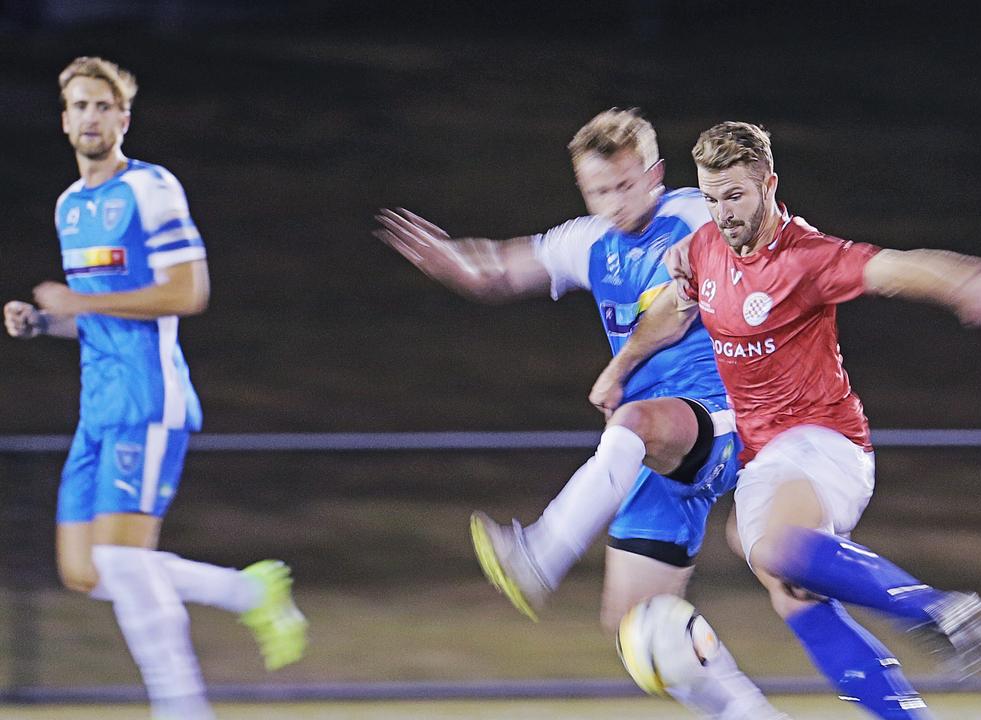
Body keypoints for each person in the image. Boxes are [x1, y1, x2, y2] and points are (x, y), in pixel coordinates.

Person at [592, 121, 981, 719]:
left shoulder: (806, 258)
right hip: (764, 454)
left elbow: (895, 268)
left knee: (781, 549)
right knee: (790, 590)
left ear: (768, 184)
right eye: (710, 197)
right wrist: (622, 365)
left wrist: (967, 281)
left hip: (824, 441)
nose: (723, 213)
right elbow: (676, 313)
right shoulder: (703, 247)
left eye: (735, 196)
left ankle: (941, 610)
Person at [373, 108, 786, 719]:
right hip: (659, 446)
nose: (615, 202)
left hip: (728, 417)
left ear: (655, 174)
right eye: (599, 191)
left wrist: (619, 371)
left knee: (634, 422)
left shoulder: (696, 217)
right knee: (639, 629)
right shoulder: (589, 242)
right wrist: (454, 262)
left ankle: (543, 552)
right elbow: (503, 269)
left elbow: (713, 282)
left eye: (625, 185)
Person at [3, 56, 307, 720]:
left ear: (123, 118)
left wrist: (80, 307)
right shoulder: (70, 207)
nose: (90, 117)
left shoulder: (151, 188)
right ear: (64, 120)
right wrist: (46, 323)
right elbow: (102, 313)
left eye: (102, 106)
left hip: (146, 397)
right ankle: (247, 593)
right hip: (96, 404)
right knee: (85, 572)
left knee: (124, 562)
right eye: (79, 106)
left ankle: (183, 708)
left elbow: (187, 292)